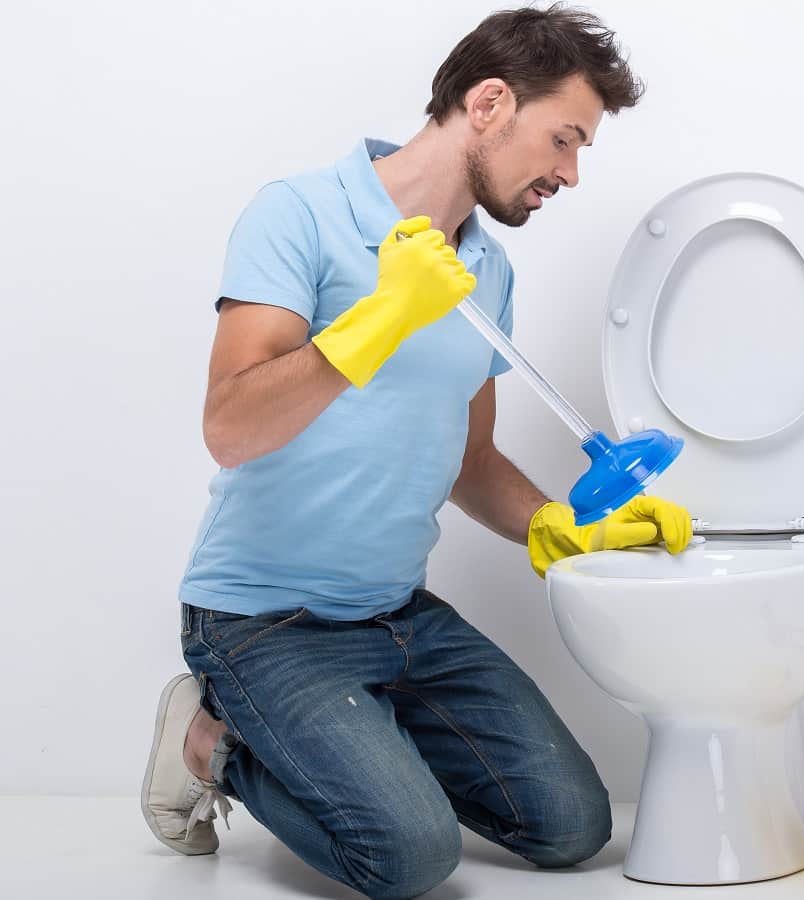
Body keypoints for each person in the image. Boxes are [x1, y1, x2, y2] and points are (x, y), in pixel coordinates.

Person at [138, 6, 692, 897]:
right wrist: (379, 318)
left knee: (573, 828)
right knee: (407, 859)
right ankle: (215, 743)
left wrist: (563, 525)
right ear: (487, 103)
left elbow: (471, 458)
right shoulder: (301, 215)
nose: (571, 172)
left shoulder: (487, 272)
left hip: (397, 616)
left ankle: (354, 740)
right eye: (563, 138)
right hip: (263, 622)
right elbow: (229, 426)